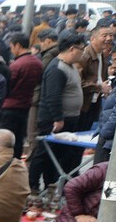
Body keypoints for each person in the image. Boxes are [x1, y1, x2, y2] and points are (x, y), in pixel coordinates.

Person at [29, 32, 86, 194]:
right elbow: (52, 96)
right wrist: (58, 118)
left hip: (68, 118)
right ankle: (32, 186)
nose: (82, 53)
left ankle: (50, 185)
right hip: (54, 120)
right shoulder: (57, 68)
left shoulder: (70, 66)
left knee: (57, 155)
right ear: (72, 49)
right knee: (44, 153)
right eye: (81, 50)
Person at [1, 33, 43, 159]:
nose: (11, 50)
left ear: (18, 45)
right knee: (18, 139)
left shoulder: (16, 65)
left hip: (10, 107)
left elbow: (8, 86)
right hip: (26, 105)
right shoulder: (38, 63)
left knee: (6, 140)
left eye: (12, 47)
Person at [78, 23, 113, 128]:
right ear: (93, 38)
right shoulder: (85, 56)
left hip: (94, 102)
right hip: (83, 104)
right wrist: (99, 87)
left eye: (111, 35)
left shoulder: (101, 54)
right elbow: (77, 83)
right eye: (104, 35)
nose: (108, 38)